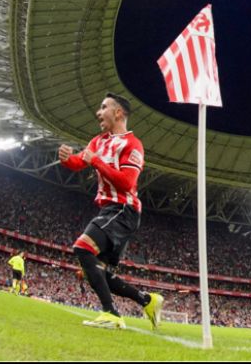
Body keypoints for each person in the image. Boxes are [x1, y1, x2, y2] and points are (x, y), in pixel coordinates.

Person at [58, 93, 163, 330]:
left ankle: (111, 313)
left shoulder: (132, 144)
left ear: (118, 113)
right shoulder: (98, 141)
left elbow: (127, 182)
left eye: (103, 107)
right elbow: (79, 161)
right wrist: (67, 159)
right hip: (109, 209)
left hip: (124, 209)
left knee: (82, 248)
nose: (98, 112)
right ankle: (147, 300)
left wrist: (96, 162)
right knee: (100, 273)